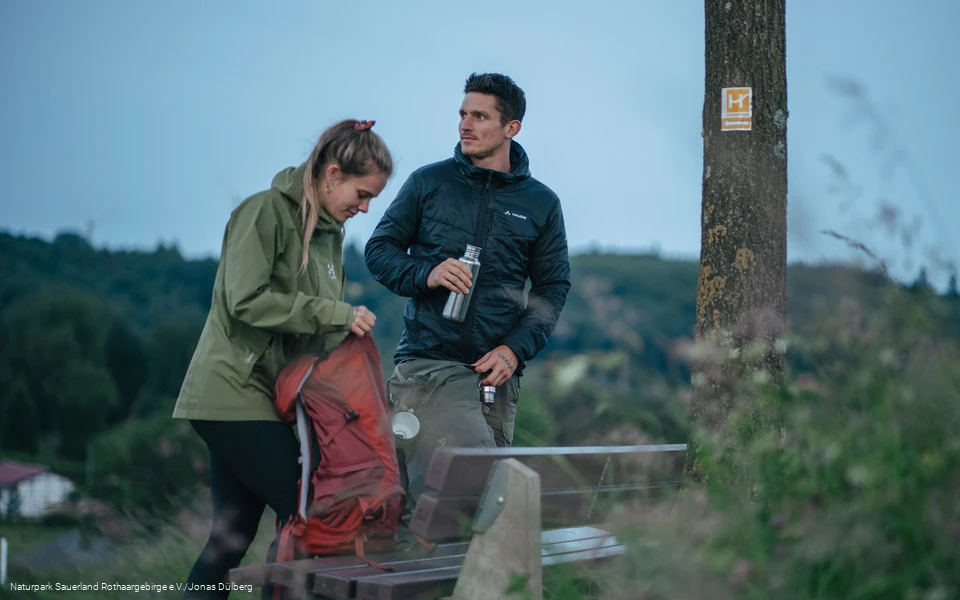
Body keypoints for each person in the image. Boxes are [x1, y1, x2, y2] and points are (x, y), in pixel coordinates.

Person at [172, 119, 392, 599]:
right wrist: (336, 313)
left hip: (266, 398)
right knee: (310, 512)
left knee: (229, 540)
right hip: (230, 391)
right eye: (361, 193)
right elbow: (245, 300)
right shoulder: (264, 212)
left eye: (372, 198)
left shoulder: (329, 237)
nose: (365, 207)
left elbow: (311, 334)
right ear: (332, 174)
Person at [364, 73, 571, 503]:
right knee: (459, 503)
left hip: (497, 377)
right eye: (463, 114)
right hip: (430, 368)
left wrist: (515, 349)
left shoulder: (541, 203)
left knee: (473, 512)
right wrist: (428, 273)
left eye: (480, 116)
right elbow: (379, 251)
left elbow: (551, 288)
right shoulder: (429, 183)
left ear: (511, 128)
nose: (465, 125)